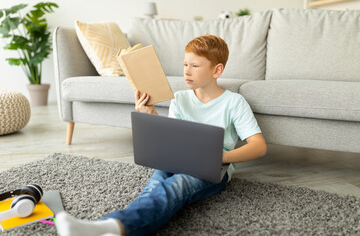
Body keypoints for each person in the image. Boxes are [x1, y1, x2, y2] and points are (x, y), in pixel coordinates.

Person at [56, 35, 267, 236]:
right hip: (178, 159)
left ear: (216, 70)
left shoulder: (234, 102)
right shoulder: (180, 99)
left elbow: (258, 146)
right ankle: (112, 227)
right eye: (185, 64)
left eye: (195, 66)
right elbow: (172, 137)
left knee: (178, 185)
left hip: (214, 169)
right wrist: (152, 115)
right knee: (155, 185)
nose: (187, 71)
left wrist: (220, 158)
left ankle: (109, 226)